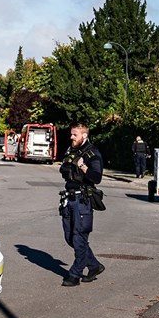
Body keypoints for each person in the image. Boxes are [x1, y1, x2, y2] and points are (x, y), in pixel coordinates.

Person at [59, 123, 105, 287]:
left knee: (79, 238)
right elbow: (63, 169)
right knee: (70, 237)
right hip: (69, 199)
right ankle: (94, 266)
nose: (71, 137)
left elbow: (96, 177)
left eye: (75, 135)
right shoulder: (71, 150)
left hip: (82, 200)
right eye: (71, 134)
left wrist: (82, 166)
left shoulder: (93, 153)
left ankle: (74, 274)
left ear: (84, 136)